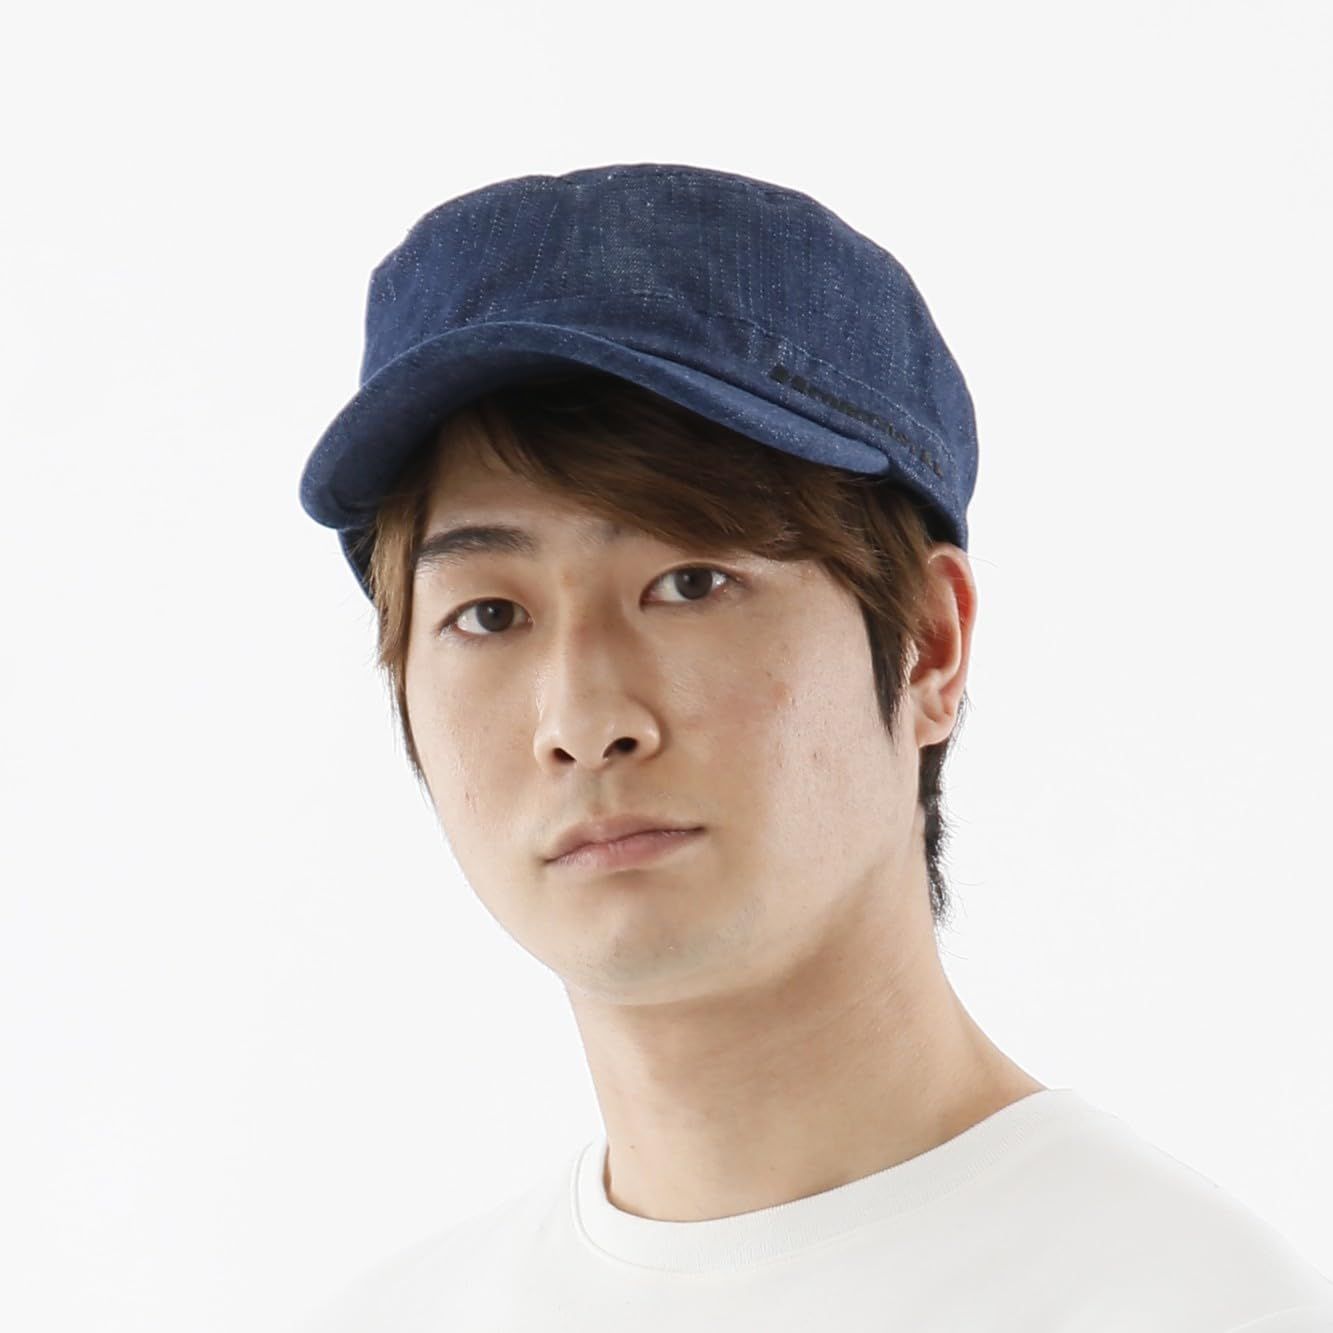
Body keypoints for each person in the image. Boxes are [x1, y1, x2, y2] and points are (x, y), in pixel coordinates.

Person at [294, 163, 1333, 1331]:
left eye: (691, 583)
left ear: (929, 646)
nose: (582, 721)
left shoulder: (1190, 1304)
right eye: (488, 614)